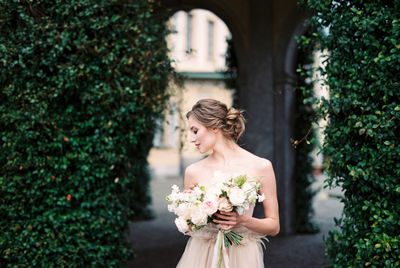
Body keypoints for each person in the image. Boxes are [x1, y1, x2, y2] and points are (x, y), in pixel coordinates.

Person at [176, 99, 280, 268]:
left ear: (214, 127)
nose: (191, 139)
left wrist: (243, 220)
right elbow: (189, 228)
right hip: (201, 255)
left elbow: (274, 226)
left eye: (195, 131)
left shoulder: (261, 166)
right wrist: (192, 211)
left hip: (242, 255)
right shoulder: (193, 171)